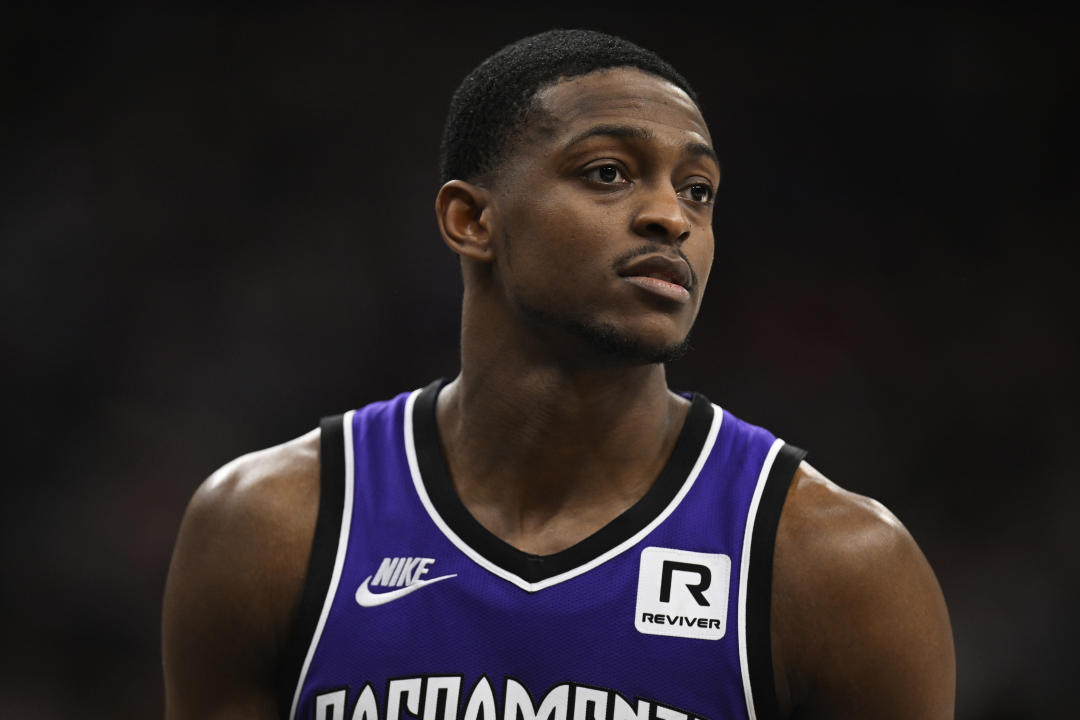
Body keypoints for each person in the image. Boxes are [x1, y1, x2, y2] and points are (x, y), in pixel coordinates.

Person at [162, 29, 955, 720]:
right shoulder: (271, 528)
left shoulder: (835, 564)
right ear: (471, 221)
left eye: (698, 189)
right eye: (609, 172)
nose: (671, 217)